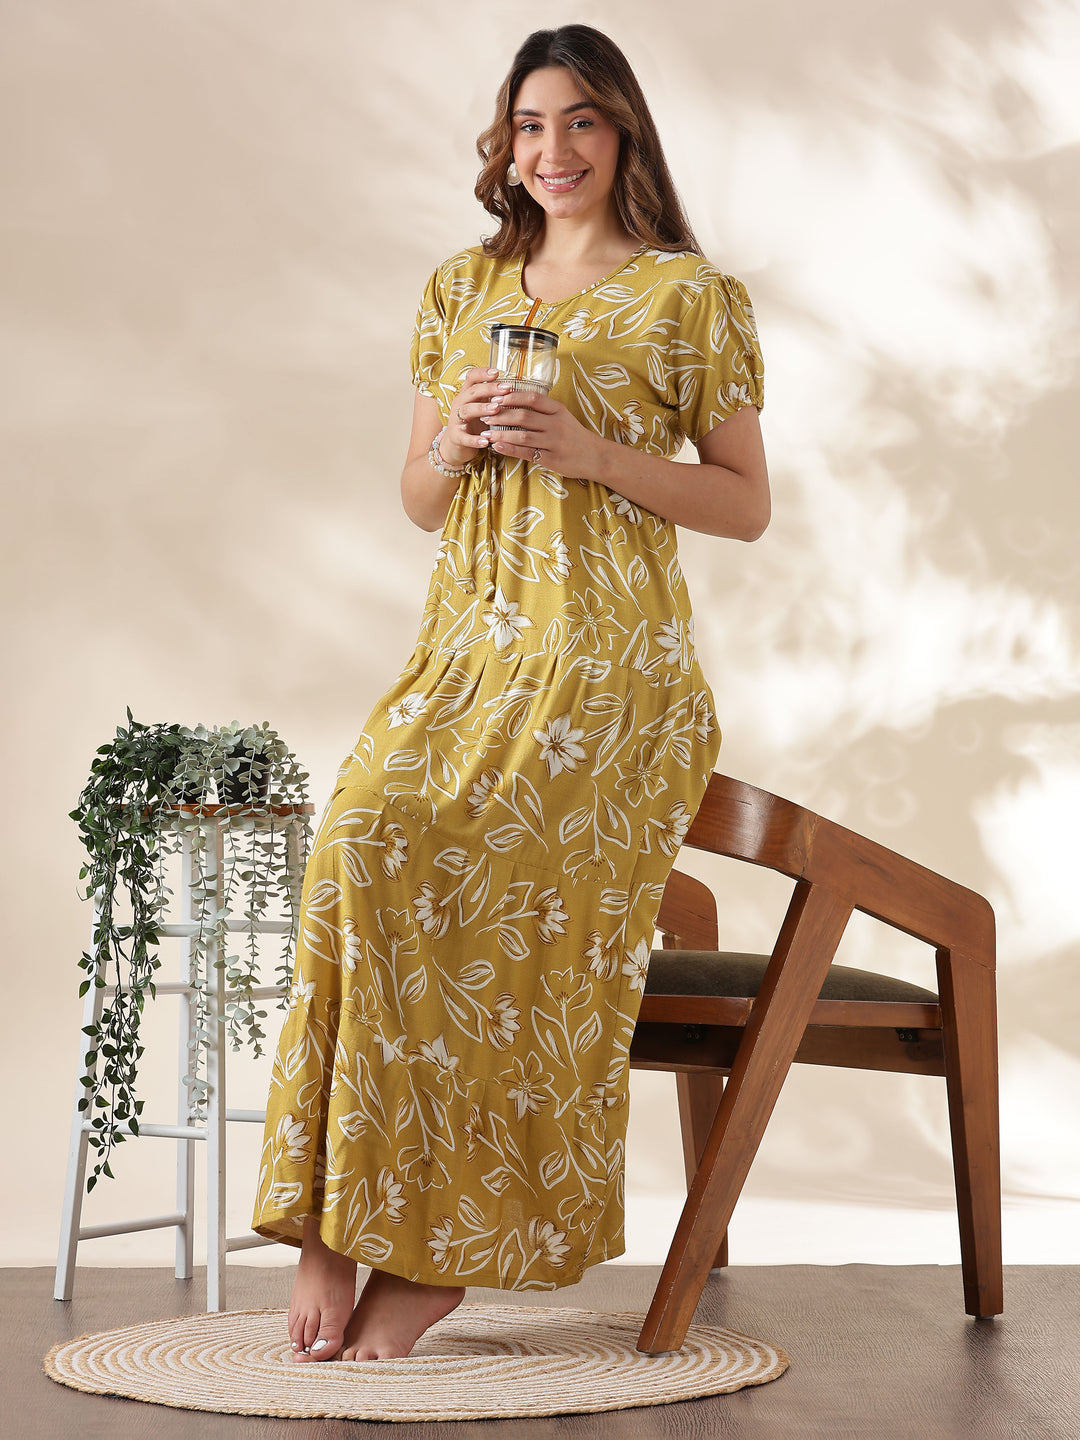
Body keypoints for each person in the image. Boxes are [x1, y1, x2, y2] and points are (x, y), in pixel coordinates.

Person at [252, 23, 769, 1363]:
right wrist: (464, 444)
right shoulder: (458, 285)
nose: (555, 150)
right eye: (532, 125)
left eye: (582, 121)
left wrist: (593, 452)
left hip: (608, 667)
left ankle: (441, 1255)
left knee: (495, 888)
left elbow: (745, 503)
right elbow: (419, 499)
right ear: (507, 142)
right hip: (467, 657)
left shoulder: (688, 297)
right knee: (362, 838)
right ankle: (336, 1219)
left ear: (625, 133)